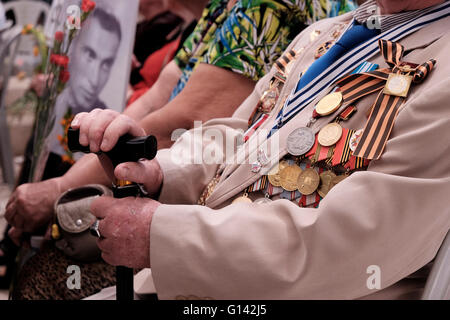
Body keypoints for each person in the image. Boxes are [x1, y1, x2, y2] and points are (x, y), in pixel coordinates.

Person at [70, 0, 449, 299]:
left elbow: (354, 244)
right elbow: (242, 137)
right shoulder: (325, 33)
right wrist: (158, 172)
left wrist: (163, 235)